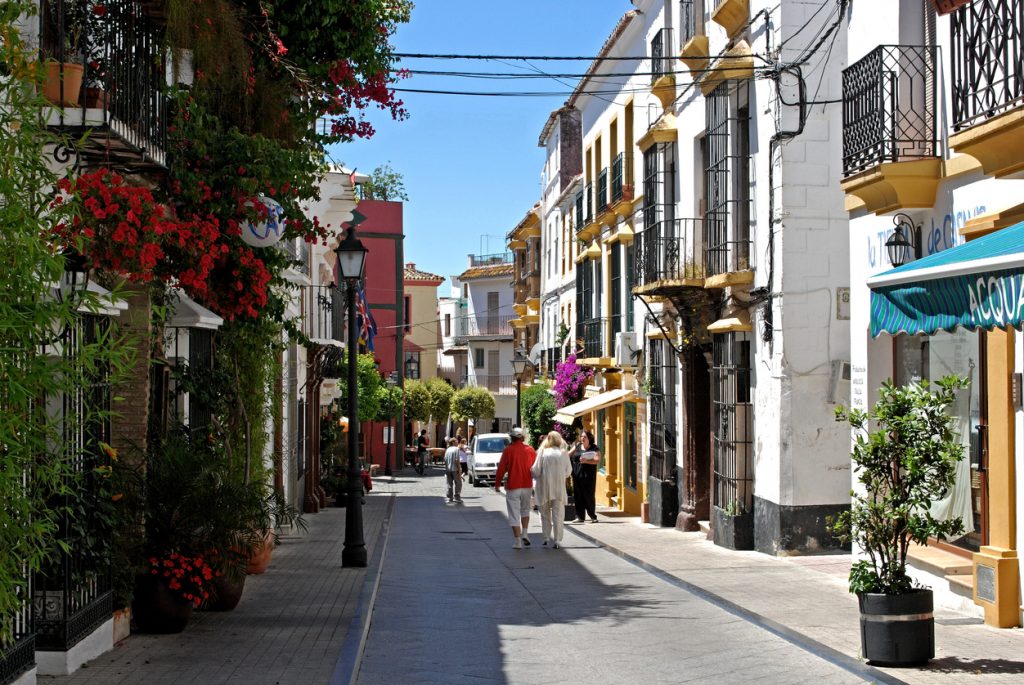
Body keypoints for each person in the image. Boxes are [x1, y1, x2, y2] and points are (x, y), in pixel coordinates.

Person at [494, 426, 537, 549]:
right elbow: (535, 467)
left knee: (514, 514)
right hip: (527, 485)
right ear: (523, 437)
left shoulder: (508, 450)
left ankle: (518, 542)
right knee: (525, 510)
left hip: (513, 485)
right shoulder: (530, 450)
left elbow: (501, 468)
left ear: (511, 437)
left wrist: (497, 484)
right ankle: (525, 533)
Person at [531, 431, 573, 548]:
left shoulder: (542, 452)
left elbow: (536, 470)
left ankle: (546, 537)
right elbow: (568, 471)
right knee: (558, 514)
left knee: (544, 514)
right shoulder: (563, 453)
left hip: (544, 487)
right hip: (558, 488)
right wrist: (560, 475)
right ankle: (557, 540)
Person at [569, 430, 600, 523]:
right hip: (576, 474)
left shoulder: (594, 448)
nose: (582, 438)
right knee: (578, 495)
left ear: (589, 438)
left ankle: (593, 516)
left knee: (588, 495)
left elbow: (597, 460)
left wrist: (586, 461)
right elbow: (568, 454)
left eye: (584, 437)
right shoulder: (577, 445)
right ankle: (580, 517)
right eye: (581, 436)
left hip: (588, 476)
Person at [443, 438, 463, 503]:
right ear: (453, 442)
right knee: (458, 483)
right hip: (455, 469)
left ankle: (450, 498)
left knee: (449, 484)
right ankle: (457, 497)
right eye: (457, 441)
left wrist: (446, 468)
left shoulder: (447, 449)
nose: (458, 442)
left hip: (448, 469)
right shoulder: (456, 449)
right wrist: (459, 468)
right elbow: (457, 460)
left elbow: (445, 460)